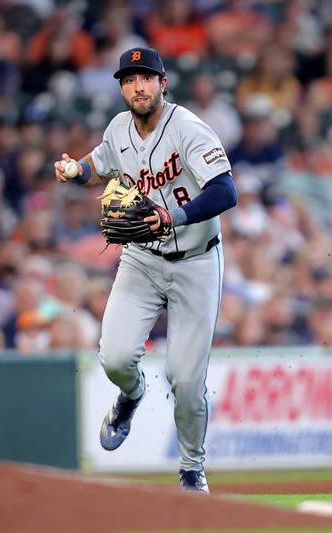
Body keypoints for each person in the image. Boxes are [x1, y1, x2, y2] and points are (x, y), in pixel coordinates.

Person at [54, 47, 237, 494]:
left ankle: (192, 469)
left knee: (186, 381)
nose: (138, 86)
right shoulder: (118, 128)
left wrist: (175, 217)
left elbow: (226, 191)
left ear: (163, 83)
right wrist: (75, 169)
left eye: (146, 78)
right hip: (142, 257)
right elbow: (98, 166)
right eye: (129, 79)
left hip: (195, 261)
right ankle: (131, 396)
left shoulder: (188, 128)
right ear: (121, 87)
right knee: (115, 358)